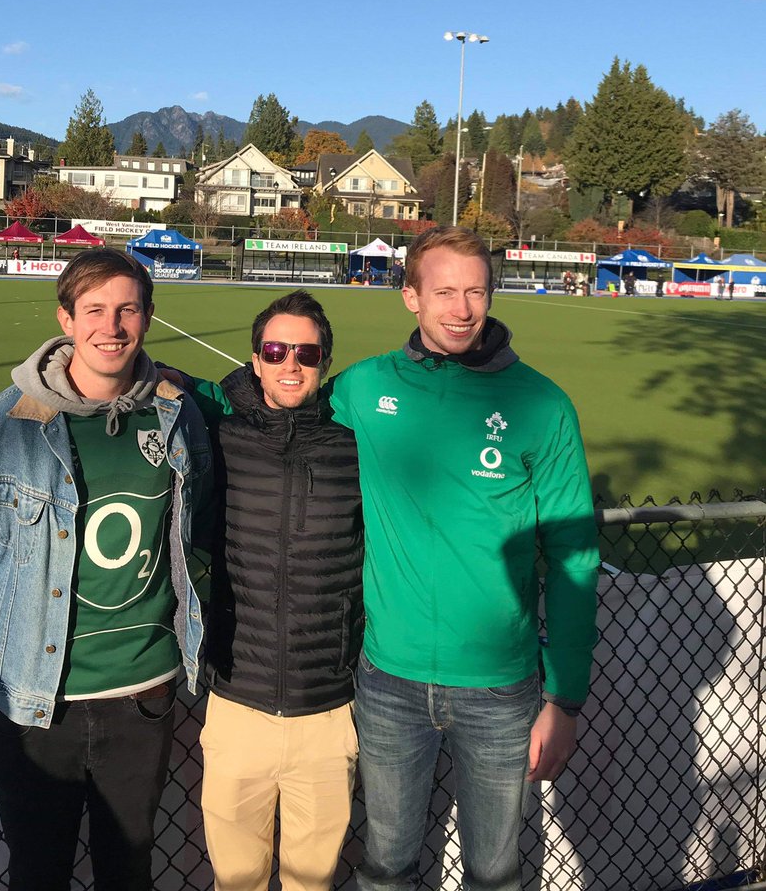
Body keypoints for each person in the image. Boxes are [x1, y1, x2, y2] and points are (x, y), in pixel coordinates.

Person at [0, 248, 212, 891]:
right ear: (65, 318)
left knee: (128, 870)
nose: (111, 327)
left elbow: (200, 536)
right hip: (35, 706)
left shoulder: (177, 416)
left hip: (145, 696)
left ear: (148, 317)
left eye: (127, 309)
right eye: (95, 310)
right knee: (38, 871)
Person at [329, 226, 599, 891]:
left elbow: (574, 556)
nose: (461, 308)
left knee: (495, 873)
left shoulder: (542, 405)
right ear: (410, 298)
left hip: (502, 693)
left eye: (475, 290)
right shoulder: (363, 389)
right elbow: (277, 406)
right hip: (388, 680)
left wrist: (564, 700)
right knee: (387, 867)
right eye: (444, 291)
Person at [170, 290, 362, 891]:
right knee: (238, 880)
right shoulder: (222, 437)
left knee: (314, 882)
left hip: (328, 712)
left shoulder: (355, 447)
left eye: (306, 352)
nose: (290, 364)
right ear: (254, 359)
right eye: (276, 350)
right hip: (236, 705)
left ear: (325, 363)